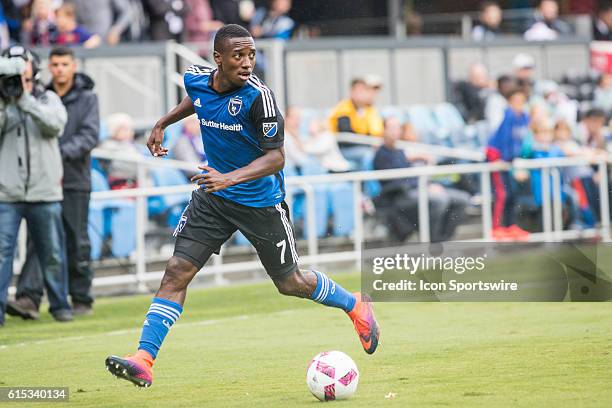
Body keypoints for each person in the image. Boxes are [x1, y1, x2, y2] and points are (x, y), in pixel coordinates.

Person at [104, 24, 380, 387]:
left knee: (291, 283)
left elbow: (277, 158)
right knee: (176, 271)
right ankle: (144, 359)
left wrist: (229, 177)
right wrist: (163, 122)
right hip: (214, 199)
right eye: (238, 56)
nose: (247, 62)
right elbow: (198, 98)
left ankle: (355, 304)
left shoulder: (259, 98)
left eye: (251, 55)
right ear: (218, 59)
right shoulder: (196, 79)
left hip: (260, 203)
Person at [7, 46, 100, 319]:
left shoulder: (87, 98)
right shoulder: (39, 95)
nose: (59, 69)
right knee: (39, 240)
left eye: (64, 64)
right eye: (55, 64)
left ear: (73, 66)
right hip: (42, 180)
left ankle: (81, 297)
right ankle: (28, 298)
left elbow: (89, 135)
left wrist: (58, 155)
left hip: (74, 179)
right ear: (49, 66)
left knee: (76, 239)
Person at [0, 45, 70, 325]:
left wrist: (25, 99)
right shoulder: (3, 102)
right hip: (7, 192)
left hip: (44, 190)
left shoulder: (47, 97)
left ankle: (60, 306)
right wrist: (8, 102)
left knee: (52, 251)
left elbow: (56, 125)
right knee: (2, 253)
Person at [373, 117, 470, 243]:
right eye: (391, 128)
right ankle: (432, 241)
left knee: (462, 199)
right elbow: (397, 181)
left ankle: (444, 238)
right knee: (439, 200)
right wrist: (424, 186)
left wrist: (429, 184)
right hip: (400, 196)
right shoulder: (381, 154)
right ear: (384, 130)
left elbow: (411, 175)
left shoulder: (400, 152)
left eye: (397, 128)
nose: (395, 131)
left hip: (418, 189)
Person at [486, 88, 531, 240]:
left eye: (521, 101)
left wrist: (518, 162)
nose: (519, 104)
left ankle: (510, 226)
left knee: (513, 193)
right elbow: (504, 141)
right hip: (498, 157)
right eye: (515, 101)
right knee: (502, 194)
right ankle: (496, 228)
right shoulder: (507, 116)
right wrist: (504, 160)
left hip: (510, 160)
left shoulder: (524, 117)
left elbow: (521, 142)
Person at [99, 112, 143, 189]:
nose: (130, 133)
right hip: (120, 184)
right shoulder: (108, 147)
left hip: (135, 182)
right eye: (125, 129)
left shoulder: (131, 145)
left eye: (131, 129)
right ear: (115, 130)